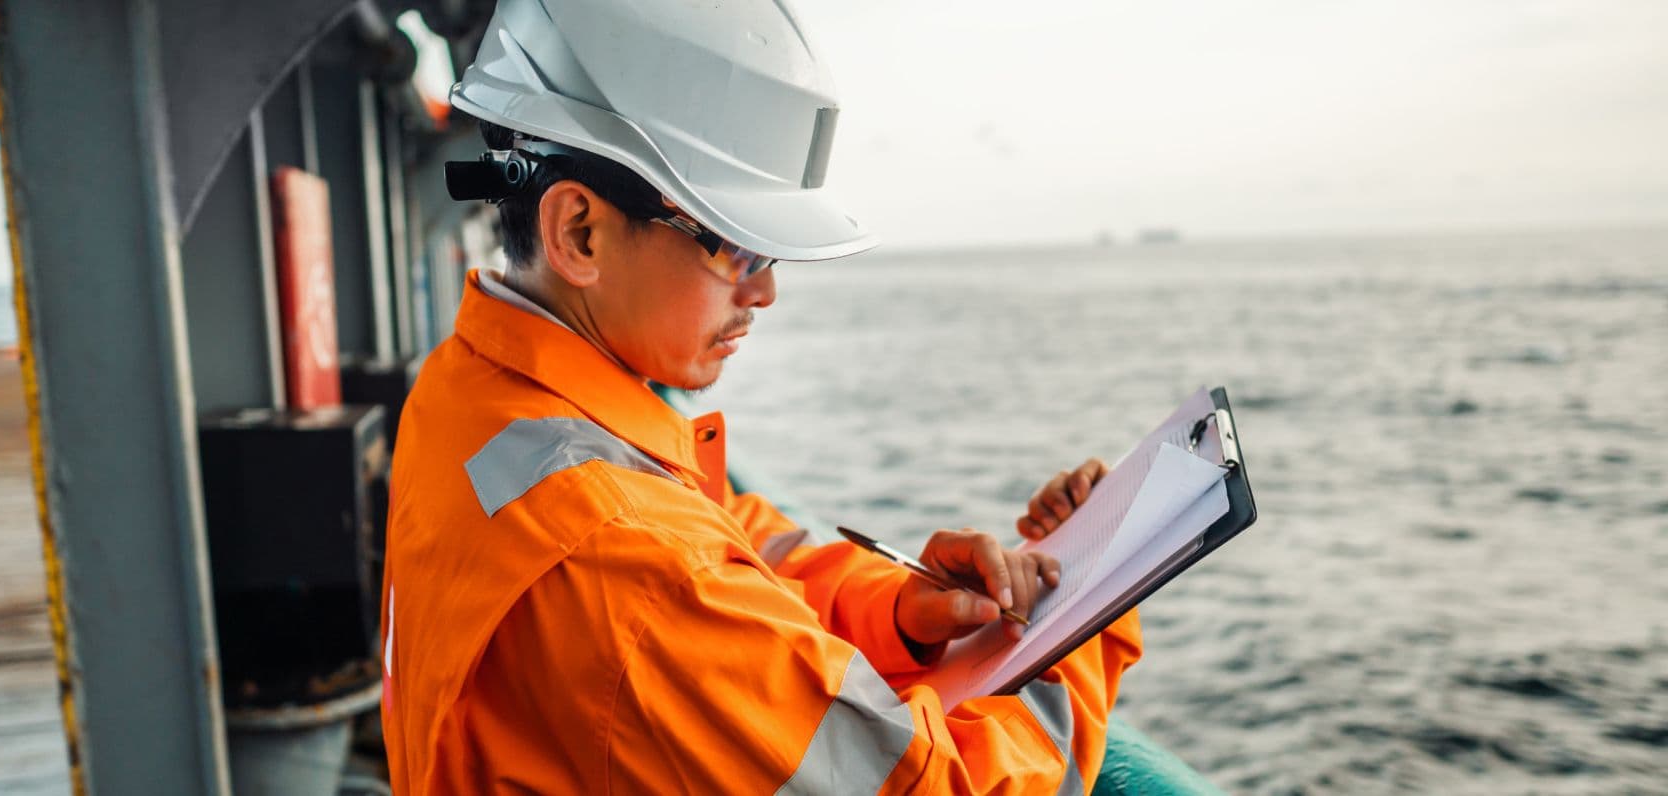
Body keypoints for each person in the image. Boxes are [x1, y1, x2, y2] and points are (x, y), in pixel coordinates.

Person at [380, 0, 1142, 792]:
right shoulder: (625, 557)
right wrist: (1085, 615)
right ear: (581, 233)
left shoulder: (469, 387)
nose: (768, 291)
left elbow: (729, 548)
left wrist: (897, 609)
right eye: (737, 248)